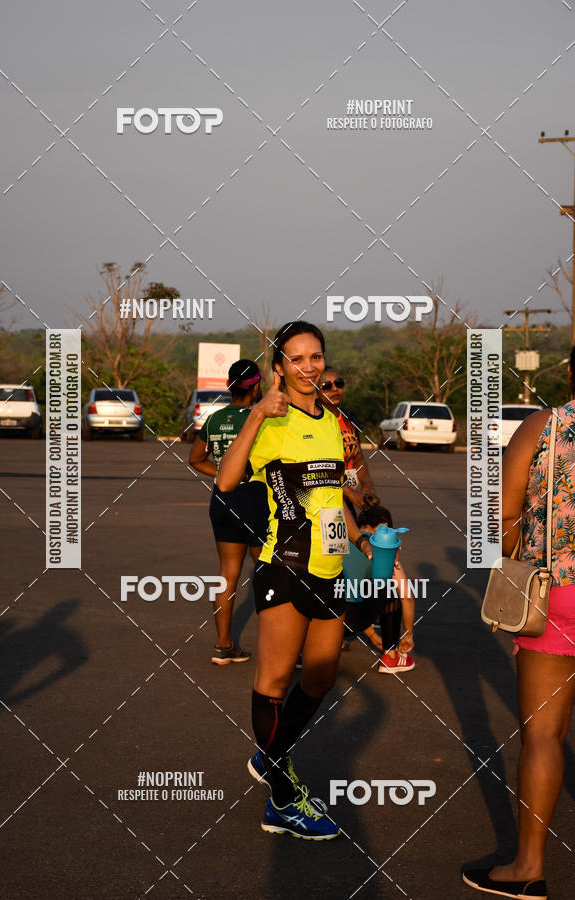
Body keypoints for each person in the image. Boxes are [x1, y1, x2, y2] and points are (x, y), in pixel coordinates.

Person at [217, 321, 372, 840]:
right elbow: (226, 479)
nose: (309, 367)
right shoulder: (270, 420)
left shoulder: (332, 421)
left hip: (328, 570)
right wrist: (257, 413)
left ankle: (270, 758)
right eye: (297, 358)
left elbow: (332, 495)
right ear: (278, 367)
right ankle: (283, 795)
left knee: (321, 678)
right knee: (274, 682)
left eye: (316, 357)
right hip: (283, 565)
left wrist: (363, 539)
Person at [463, 354, 575, 899]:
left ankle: (527, 867)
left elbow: (500, 515)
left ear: (572, 375)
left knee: (545, 736)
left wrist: (511, 549)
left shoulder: (544, 425)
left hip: (553, 594)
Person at [189, 359, 267, 665]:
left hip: (223, 499)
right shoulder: (262, 418)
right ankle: (282, 647)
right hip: (255, 498)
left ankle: (224, 646)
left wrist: (223, 473)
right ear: (256, 385)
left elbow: (196, 459)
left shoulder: (215, 418)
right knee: (267, 571)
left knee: (227, 574)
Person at [345, 505, 415, 673]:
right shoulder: (383, 548)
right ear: (384, 526)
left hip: (328, 621)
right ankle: (390, 657)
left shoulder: (341, 539)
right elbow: (407, 597)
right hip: (353, 619)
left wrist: (371, 634)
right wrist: (408, 635)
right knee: (392, 589)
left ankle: (304, 653)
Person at [316, 366, 379, 518]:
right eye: (327, 386)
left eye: (339, 383)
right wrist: (351, 495)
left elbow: (358, 458)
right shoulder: (314, 422)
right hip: (324, 499)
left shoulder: (349, 420)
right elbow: (320, 468)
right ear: (315, 391)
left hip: (347, 497)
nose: (335, 389)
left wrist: (367, 486)